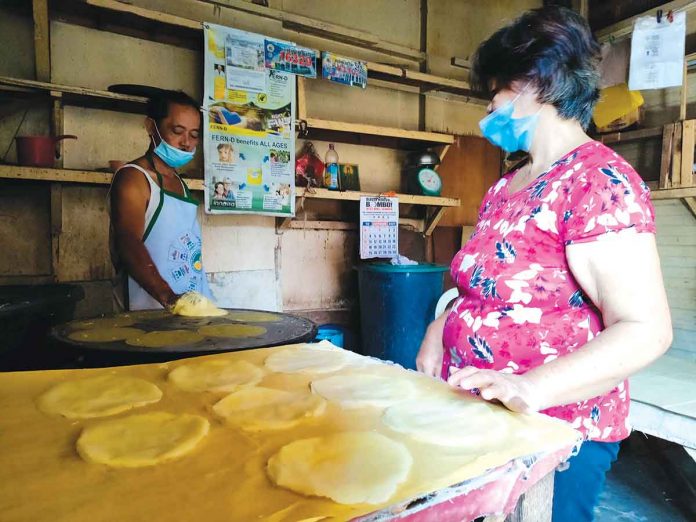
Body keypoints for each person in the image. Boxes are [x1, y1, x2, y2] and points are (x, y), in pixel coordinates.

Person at [415, 7, 672, 521]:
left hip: (556, 433)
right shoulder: (507, 185)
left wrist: (531, 388)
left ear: (539, 83)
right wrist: (442, 328)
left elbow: (645, 329)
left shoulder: (598, 182)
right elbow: (488, 291)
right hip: (487, 420)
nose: (489, 108)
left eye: (497, 92)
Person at [110, 90, 214, 311]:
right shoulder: (134, 178)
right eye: (178, 131)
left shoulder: (180, 184)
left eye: (194, 135)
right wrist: (169, 298)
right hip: (147, 313)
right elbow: (127, 242)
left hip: (189, 312)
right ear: (151, 127)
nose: (186, 143)